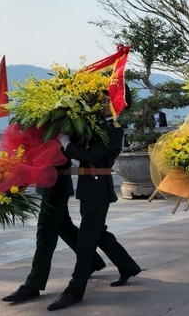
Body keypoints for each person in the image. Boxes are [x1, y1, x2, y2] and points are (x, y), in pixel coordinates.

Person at [47, 89, 141, 311]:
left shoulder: (114, 130)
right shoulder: (91, 123)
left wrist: (67, 144)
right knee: (98, 232)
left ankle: (74, 290)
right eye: (103, 97)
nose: (104, 100)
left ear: (118, 104)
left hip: (99, 188)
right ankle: (127, 266)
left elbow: (90, 155)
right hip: (88, 187)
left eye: (109, 98)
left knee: (88, 239)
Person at [2, 154, 107, 304]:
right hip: (50, 183)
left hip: (56, 183)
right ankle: (93, 261)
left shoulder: (60, 130)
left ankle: (33, 284)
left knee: (45, 232)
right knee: (63, 226)